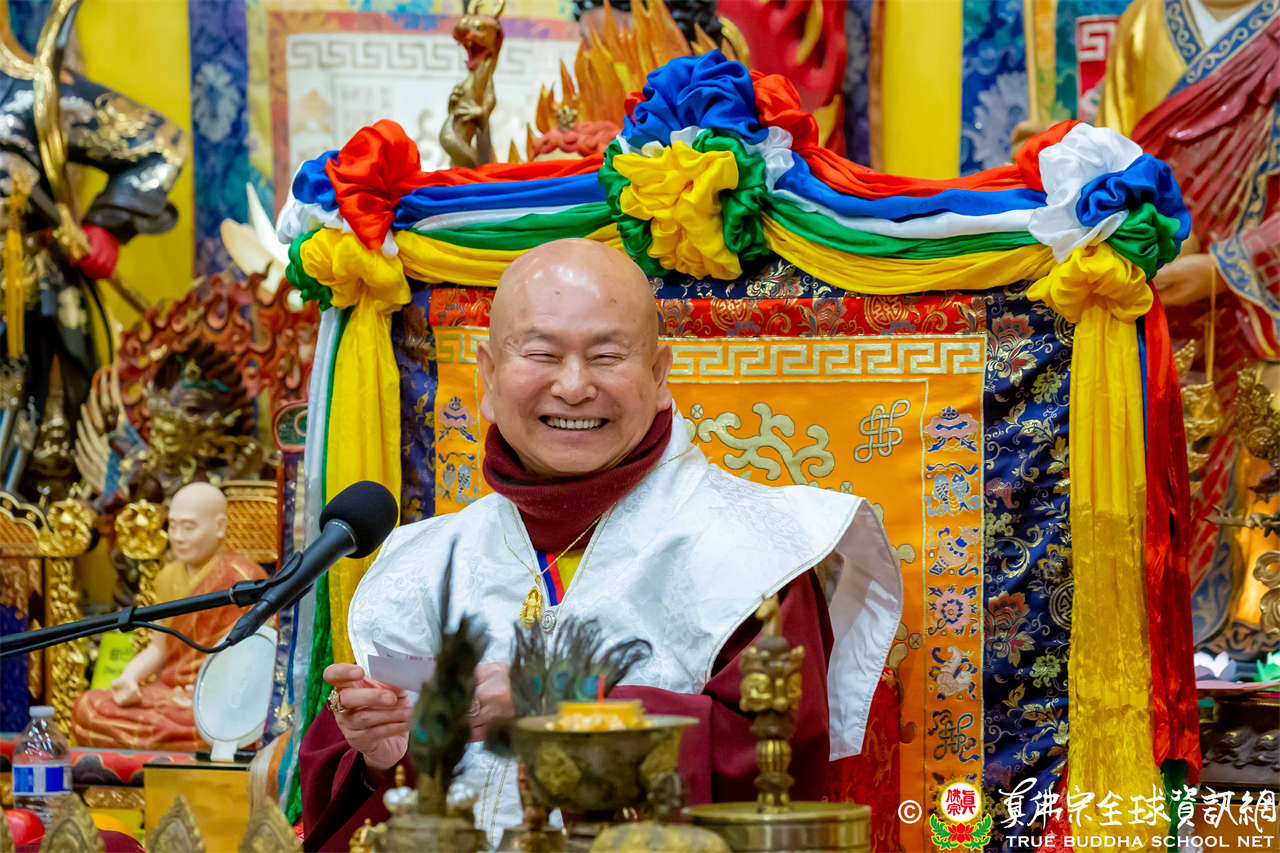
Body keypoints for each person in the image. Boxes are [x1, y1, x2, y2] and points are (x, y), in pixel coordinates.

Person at [299, 238, 902, 848]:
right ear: (488, 374)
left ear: (659, 375)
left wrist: (566, 709)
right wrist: (387, 758)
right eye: (542, 353)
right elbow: (358, 798)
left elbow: (771, 767)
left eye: (606, 356)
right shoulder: (425, 562)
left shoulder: (754, 552)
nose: (573, 386)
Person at [1096, 0, 1278, 605]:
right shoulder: (1145, 21)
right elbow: (1112, 161)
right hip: (1154, 305)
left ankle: (1249, 629)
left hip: (1258, 322)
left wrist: (1228, 268)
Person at [71, 482, 267, 750]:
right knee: (87, 707)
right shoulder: (166, 577)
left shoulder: (245, 579)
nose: (178, 537)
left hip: (218, 701)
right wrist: (129, 679)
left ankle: (194, 736)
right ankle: (181, 738)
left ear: (220, 526)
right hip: (168, 696)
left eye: (188, 527)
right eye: (172, 526)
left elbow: (255, 660)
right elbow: (157, 649)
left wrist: (209, 693)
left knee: (227, 724)